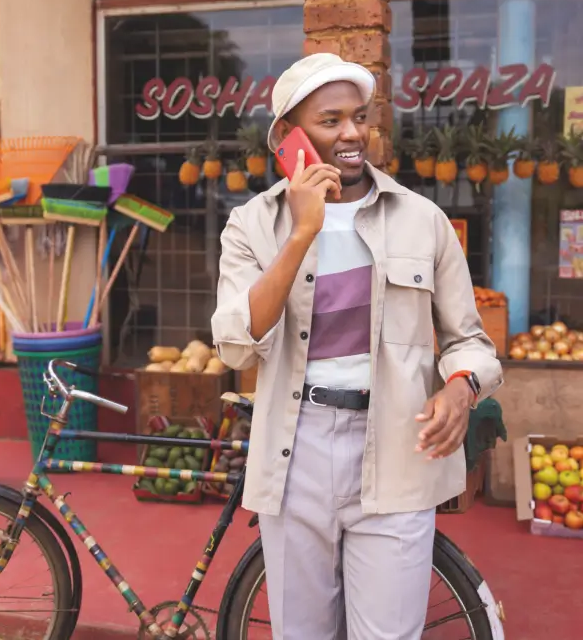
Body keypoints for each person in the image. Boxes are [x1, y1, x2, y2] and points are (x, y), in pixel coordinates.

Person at [211, 53, 503, 639]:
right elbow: (236, 346)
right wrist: (302, 233)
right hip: (297, 452)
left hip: (398, 447)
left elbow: (469, 340)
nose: (351, 133)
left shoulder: (423, 221)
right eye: (330, 120)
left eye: (359, 118)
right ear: (288, 138)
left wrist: (461, 386)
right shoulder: (251, 225)